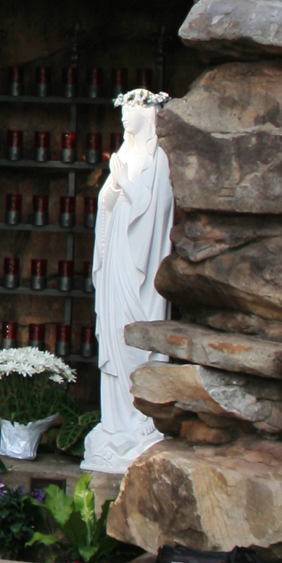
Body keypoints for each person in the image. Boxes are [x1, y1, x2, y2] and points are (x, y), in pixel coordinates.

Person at [82, 89, 172, 473]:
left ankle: (141, 422)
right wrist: (115, 186)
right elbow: (105, 203)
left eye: (131, 111)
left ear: (147, 115)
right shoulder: (124, 155)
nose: (124, 118)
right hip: (117, 253)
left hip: (140, 262)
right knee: (114, 335)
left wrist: (127, 185)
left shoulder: (158, 159)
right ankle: (115, 422)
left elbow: (158, 210)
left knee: (136, 339)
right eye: (122, 112)